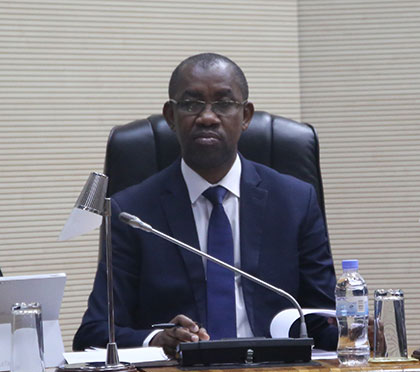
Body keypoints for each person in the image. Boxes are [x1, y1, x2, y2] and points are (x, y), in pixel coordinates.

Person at [74, 53, 337, 356]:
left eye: (224, 104)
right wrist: (157, 340)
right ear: (171, 117)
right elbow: (93, 333)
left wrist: (357, 330)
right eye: (191, 104)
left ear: (246, 116)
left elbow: (323, 319)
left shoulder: (295, 201)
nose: (208, 117)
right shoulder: (131, 212)